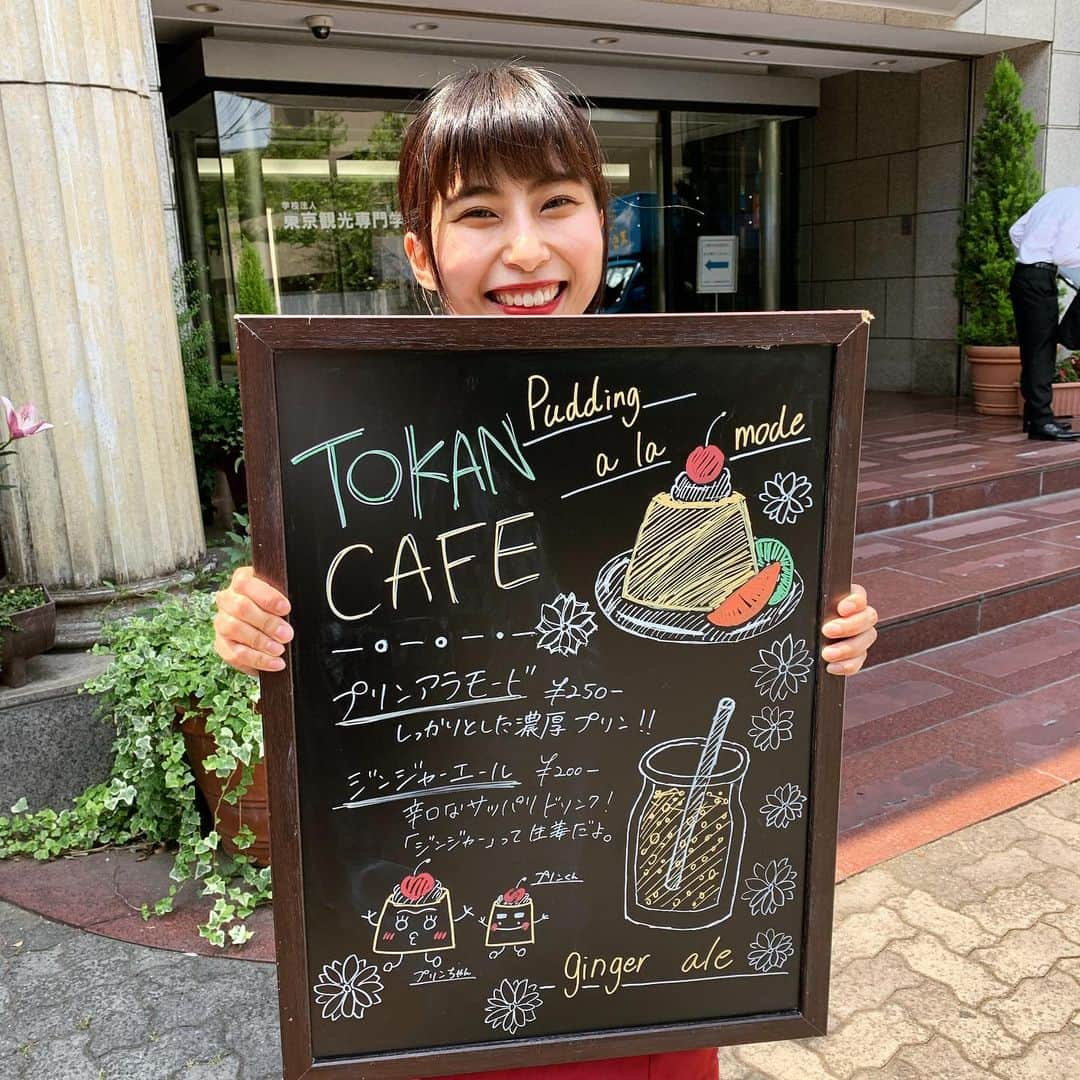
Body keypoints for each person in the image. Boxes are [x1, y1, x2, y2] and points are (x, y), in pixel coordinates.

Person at [213, 65, 879, 1080]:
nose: (525, 248)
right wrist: (253, 631)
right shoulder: (354, 436)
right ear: (421, 253)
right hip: (434, 1015)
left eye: (557, 203)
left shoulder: (685, 395)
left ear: (605, 227)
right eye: (480, 213)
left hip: (648, 999)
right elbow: (319, 698)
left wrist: (832, 634)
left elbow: (753, 660)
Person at [1009, 186, 1080, 441]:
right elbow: (1064, 253)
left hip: (1026, 275)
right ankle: (1041, 421)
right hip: (1039, 279)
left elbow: (1015, 231)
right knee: (1041, 350)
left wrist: (1032, 253)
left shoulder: (1057, 195)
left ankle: (1035, 416)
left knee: (1034, 348)